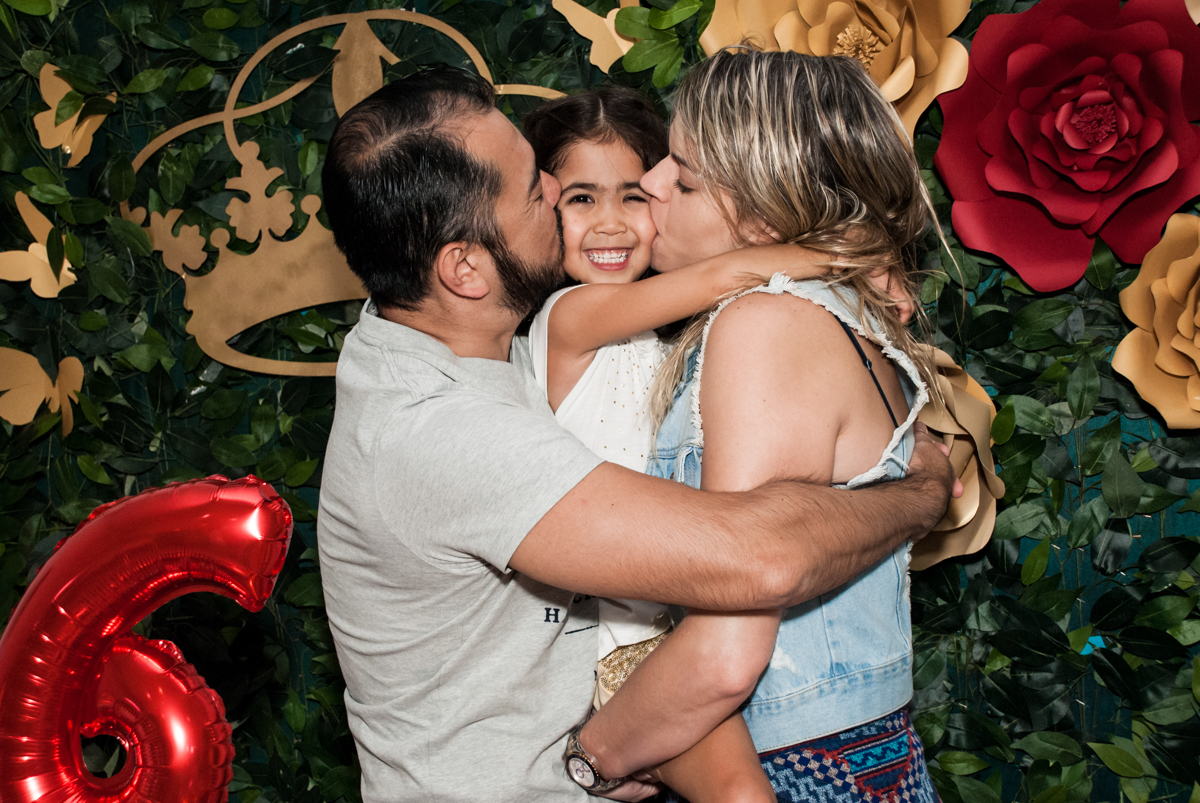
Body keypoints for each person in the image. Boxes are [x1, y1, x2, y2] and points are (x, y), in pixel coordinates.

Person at [315, 64, 959, 803]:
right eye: (535, 190)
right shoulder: (439, 434)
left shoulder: (429, 343)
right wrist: (919, 492)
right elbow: (760, 560)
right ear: (464, 268)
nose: (557, 188)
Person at [576, 50, 947, 803]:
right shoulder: (840, 317)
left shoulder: (765, 323)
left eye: (684, 179)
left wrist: (591, 756)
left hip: (794, 767)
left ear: (764, 219)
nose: (652, 183)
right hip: (855, 756)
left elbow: (726, 651)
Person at [523, 87, 825, 801]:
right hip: (627, 649)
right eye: (582, 199)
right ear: (544, 208)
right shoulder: (568, 316)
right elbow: (722, 272)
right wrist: (845, 257)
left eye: (633, 197)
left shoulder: (668, 338)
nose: (611, 223)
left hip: (679, 628)